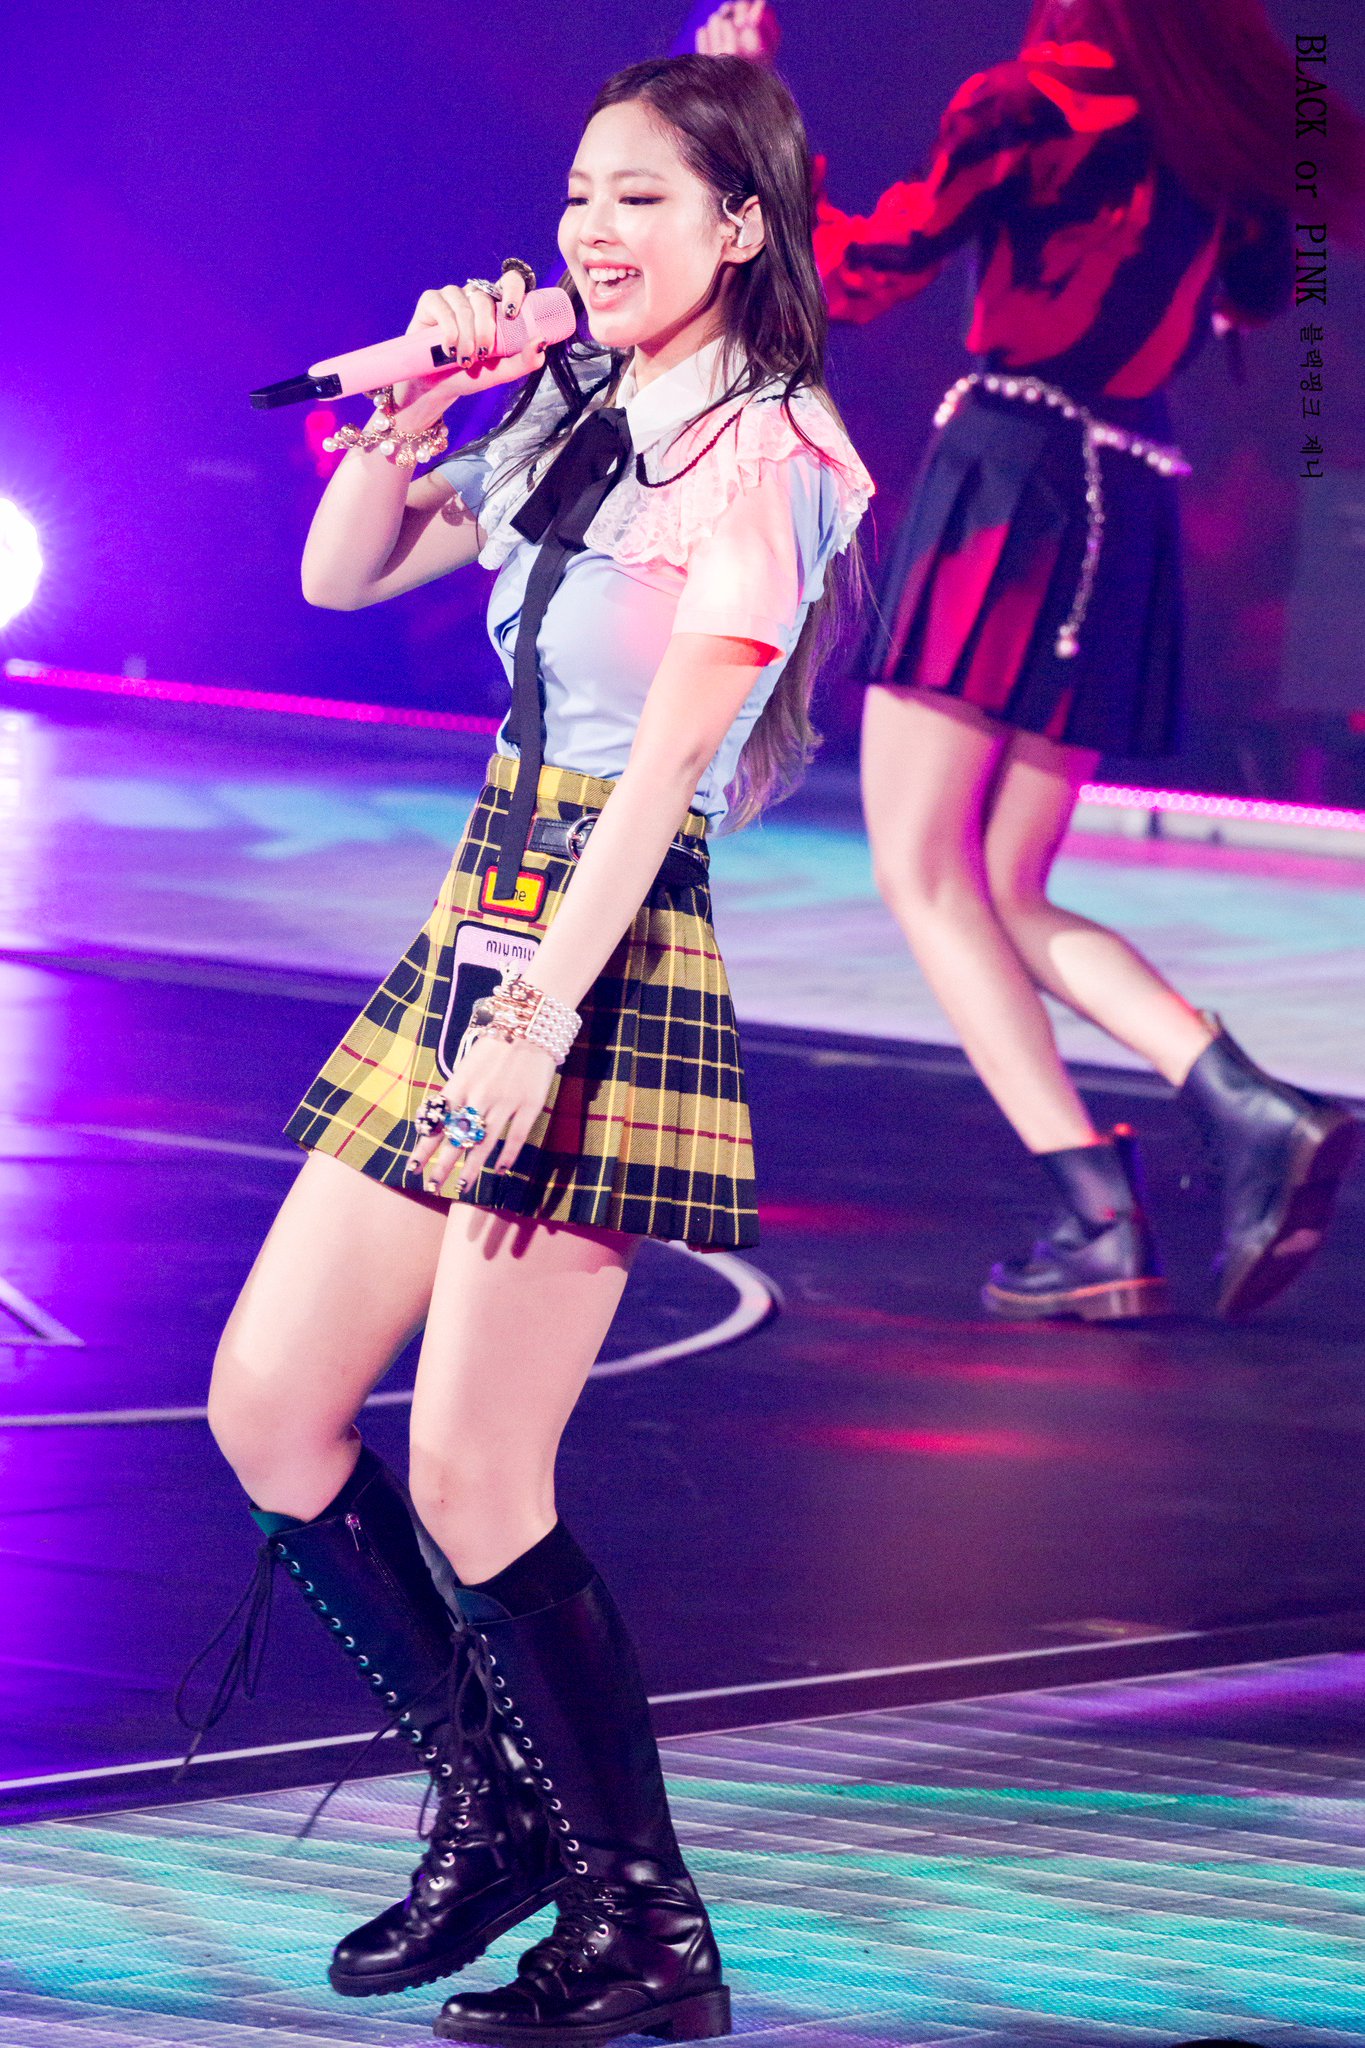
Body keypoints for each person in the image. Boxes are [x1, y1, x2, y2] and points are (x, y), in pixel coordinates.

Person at [188, 50, 870, 2048]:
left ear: (740, 226)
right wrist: (420, 404)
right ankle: (491, 1808)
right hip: (474, 908)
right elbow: (340, 570)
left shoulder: (770, 454)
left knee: (479, 1470)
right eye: (579, 193)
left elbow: (661, 781)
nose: (590, 228)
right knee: (271, 1403)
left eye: (642, 196)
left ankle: (645, 1930)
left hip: (598, 943)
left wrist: (533, 1024)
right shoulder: (575, 402)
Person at [697, 0, 1364, 1322]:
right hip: (1132, 494)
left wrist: (756, 114)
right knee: (999, 882)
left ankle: (1099, 1208)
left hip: (1011, 482)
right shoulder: (1215, 139)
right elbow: (1257, 294)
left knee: (921, 869)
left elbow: (854, 275)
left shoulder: (1027, 102)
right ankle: (1239, 1110)